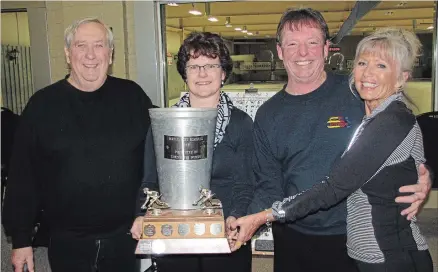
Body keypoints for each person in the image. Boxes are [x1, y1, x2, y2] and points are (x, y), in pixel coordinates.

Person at [230, 8, 432, 272]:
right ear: (280, 52)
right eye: (292, 44)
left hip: (353, 237)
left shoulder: (359, 92)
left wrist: (422, 175)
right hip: (293, 238)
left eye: (312, 43)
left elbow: (401, 140)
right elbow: (269, 185)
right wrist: (246, 218)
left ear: (327, 49)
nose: (303, 54)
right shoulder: (268, 114)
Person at [2, 18, 153, 272]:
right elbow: (22, 178)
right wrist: (20, 240)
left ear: (111, 53)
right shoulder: (42, 106)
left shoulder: (133, 97)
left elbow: (160, 153)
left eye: (99, 45)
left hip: (125, 239)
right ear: (68, 53)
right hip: (66, 242)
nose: (91, 55)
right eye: (81, 46)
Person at [130, 32, 254, 272]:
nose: (203, 73)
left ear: (224, 73)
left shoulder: (241, 124)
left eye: (210, 64)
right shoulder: (164, 123)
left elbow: (245, 182)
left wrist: (236, 217)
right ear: (184, 74)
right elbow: (150, 179)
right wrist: (141, 214)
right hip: (176, 235)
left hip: (224, 234)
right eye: (194, 65)